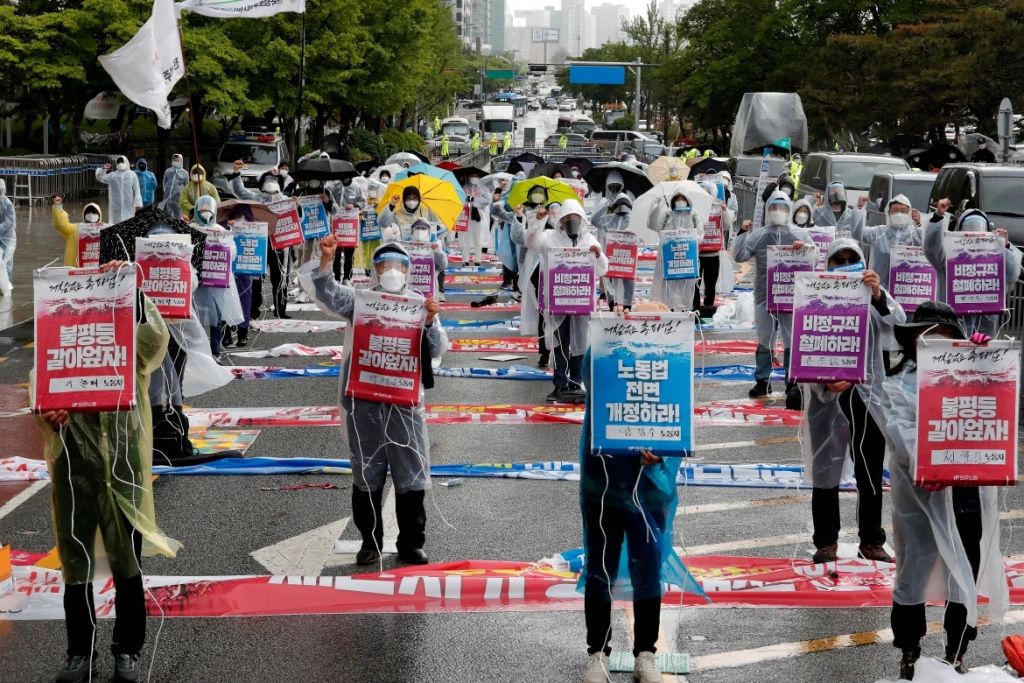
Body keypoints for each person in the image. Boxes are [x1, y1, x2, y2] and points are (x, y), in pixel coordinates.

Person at [36, 260, 181, 683]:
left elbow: (156, 339)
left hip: (122, 464)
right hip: (72, 464)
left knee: (126, 561)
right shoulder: (56, 340)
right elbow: (39, 389)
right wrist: (48, 412)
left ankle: (127, 651)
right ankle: (79, 654)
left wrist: (133, 291)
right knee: (75, 558)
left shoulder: (126, 338)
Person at [883, 301, 1008, 679]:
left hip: (965, 492)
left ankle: (956, 651)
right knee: (913, 571)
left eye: (947, 338)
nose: (939, 345)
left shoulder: (974, 374)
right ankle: (910, 650)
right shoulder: (899, 384)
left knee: (964, 573)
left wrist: (993, 365)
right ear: (915, 342)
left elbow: (997, 416)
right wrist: (929, 460)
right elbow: (899, 433)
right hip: (918, 495)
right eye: (930, 338)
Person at [578, 302, 702, 683]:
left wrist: (659, 459)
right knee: (600, 566)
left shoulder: (670, 362)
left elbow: (675, 417)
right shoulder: (607, 356)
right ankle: (597, 654)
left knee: (647, 569)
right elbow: (587, 372)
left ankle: (645, 653)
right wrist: (611, 329)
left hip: (650, 488)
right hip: (602, 482)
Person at [301, 236, 443, 566]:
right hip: (362, 401)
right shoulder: (360, 301)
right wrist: (326, 261)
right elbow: (328, 295)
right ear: (375, 270)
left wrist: (431, 322)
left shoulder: (418, 304)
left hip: (404, 405)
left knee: (410, 474)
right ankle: (370, 541)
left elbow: (435, 350)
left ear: (408, 271)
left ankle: (411, 543)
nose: (392, 271)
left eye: (399, 265)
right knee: (367, 473)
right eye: (384, 264)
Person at [801, 238, 904, 565]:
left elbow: (899, 323)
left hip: (868, 396)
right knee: (825, 469)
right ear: (828, 266)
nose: (846, 265)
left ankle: (872, 540)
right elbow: (806, 346)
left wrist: (877, 295)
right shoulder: (813, 297)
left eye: (852, 259)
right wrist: (825, 379)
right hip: (828, 398)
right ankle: (826, 541)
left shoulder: (871, 295)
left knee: (871, 470)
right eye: (839, 260)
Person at [525, 198, 608, 404]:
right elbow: (530, 242)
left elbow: (602, 268)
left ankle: (575, 381)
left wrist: (597, 256)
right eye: (568, 217)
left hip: (581, 302)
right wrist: (536, 222)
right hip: (557, 301)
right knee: (561, 342)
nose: (572, 221)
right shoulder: (549, 238)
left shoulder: (589, 240)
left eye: (576, 218)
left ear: (582, 220)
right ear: (561, 219)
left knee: (580, 341)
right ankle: (560, 382)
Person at [733, 191, 814, 398]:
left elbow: (815, 262)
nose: (779, 212)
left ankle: (792, 381)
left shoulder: (801, 235)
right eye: (774, 208)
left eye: (783, 208)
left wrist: (805, 250)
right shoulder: (759, 235)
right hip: (764, 296)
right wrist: (742, 233)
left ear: (790, 210)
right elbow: (740, 256)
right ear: (768, 210)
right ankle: (762, 381)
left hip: (790, 297)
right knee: (765, 339)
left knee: (790, 340)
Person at [923, 201, 1023, 338]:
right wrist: (938, 217)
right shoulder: (948, 255)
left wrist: (1004, 247)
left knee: (982, 357)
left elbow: (1011, 275)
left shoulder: (994, 256)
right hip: (952, 325)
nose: (974, 234)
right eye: (969, 229)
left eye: (979, 229)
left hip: (985, 327)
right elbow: (931, 248)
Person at [227, 163, 293, 319]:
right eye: (268, 181)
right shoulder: (256, 198)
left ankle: (280, 309)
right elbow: (240, 191)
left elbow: (297, 220)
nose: (271, 192)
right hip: (259, 243)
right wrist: (236, 173)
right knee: (255, 276)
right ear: (262, 186)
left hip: (279, 244)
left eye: (274, 181)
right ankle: (253, 309)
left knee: (281, 276)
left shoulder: (285, 200)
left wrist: (296, 206)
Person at [190, 195, 244, 356]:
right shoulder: (189, 228)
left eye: (208, 210)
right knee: (195, 315)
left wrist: (221, 241)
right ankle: (197, 352)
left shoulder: (220, 230)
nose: (205, 213)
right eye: (202, 210)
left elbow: (232, 253)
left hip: (216, 280)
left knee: (216, 317)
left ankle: (215, 351)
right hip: (196, 279)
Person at [512, 200, 560, 368]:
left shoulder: (570, 229)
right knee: (543, 315)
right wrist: (521, 218)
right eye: (552, 209)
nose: (555, 212)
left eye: (558, 209)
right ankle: (545, 352)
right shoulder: (541, 231)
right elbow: (523, 238)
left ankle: (562, 354)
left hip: (563, 281)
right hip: (541, 278)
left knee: (562, 318)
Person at [648, 187, 705, 312]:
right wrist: (655, 208)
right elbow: (653, 225)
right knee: (667, 288)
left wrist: (686, 235)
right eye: (677, 198)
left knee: (686, 287)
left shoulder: (694, 217)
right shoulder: (667, 216)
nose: (680, 201)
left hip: (686, 257)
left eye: (682, 198)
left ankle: (686, 310)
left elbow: (700, 236)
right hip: (668, 258)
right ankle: (669, 310)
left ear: (688, 200)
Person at [591, 192, 636, 311]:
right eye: (619, 204)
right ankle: (612, 304)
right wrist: (605, 203)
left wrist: (633, 235)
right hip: (611, 255)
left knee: (629, 279)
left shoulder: (633, 220)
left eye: (625, 204)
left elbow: (641, 236)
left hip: (628, 256)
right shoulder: (609, 220)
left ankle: (627, 306)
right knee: (608, 279)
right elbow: (594, 220)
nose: (622, 207)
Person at [326, 176, 366, 284]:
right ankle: (336, 278)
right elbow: (327, 200)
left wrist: (354, 205)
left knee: (349, 254)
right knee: (336, 253)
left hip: (350, 227)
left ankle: (347, 278)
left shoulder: (356, 187)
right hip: (336, 225)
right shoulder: (332, 186)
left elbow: (363, 202)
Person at [51, 196, 103, 267]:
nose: (91, 215)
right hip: (74, 271)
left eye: (94, 212)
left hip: (97, 273)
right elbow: (60, 224)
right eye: (88, 212)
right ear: (84, 215)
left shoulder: (105, 230)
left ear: (99, 215)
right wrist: (58, 207)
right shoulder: (74, 229)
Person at [95, 156, 142, 224]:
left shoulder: (130, 175)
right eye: (119, 162)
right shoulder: (115, 175)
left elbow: (137, 190)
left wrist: (138, 204)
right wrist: (103, 169)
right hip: (121, 207)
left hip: (124, 207)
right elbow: (100, 178)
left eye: (121, 162)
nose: (120, 164)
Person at [463, 172, 491, 267]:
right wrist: (467, 201)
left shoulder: (483, 188)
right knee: (466, 238)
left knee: (477, 238)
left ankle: (478, 259)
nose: (474, 178)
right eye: (472, 176)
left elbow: (487, 200)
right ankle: (465, 259)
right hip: (467, 214)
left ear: (479, 177)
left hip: (478, 215)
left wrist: (474, 200)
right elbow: (460, 198)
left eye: (476, 176)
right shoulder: (465, 188)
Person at [160, 154, 189, 218]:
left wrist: (183, 197)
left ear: (181, 161)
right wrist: (166, 191)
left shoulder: (185, 173)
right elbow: (164, 182)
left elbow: (186, 186)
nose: (176, 162)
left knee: (178, 214)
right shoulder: (168, 171)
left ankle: (177, 226)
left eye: (177, 161)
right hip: (168, 197)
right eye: (174, 160)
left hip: (178, 198)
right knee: (168, 214)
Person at [0, 179, 15, 287]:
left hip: (6, 238)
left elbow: (9, 223)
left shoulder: (7, 204)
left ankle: (6, 284)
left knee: (6, 261)